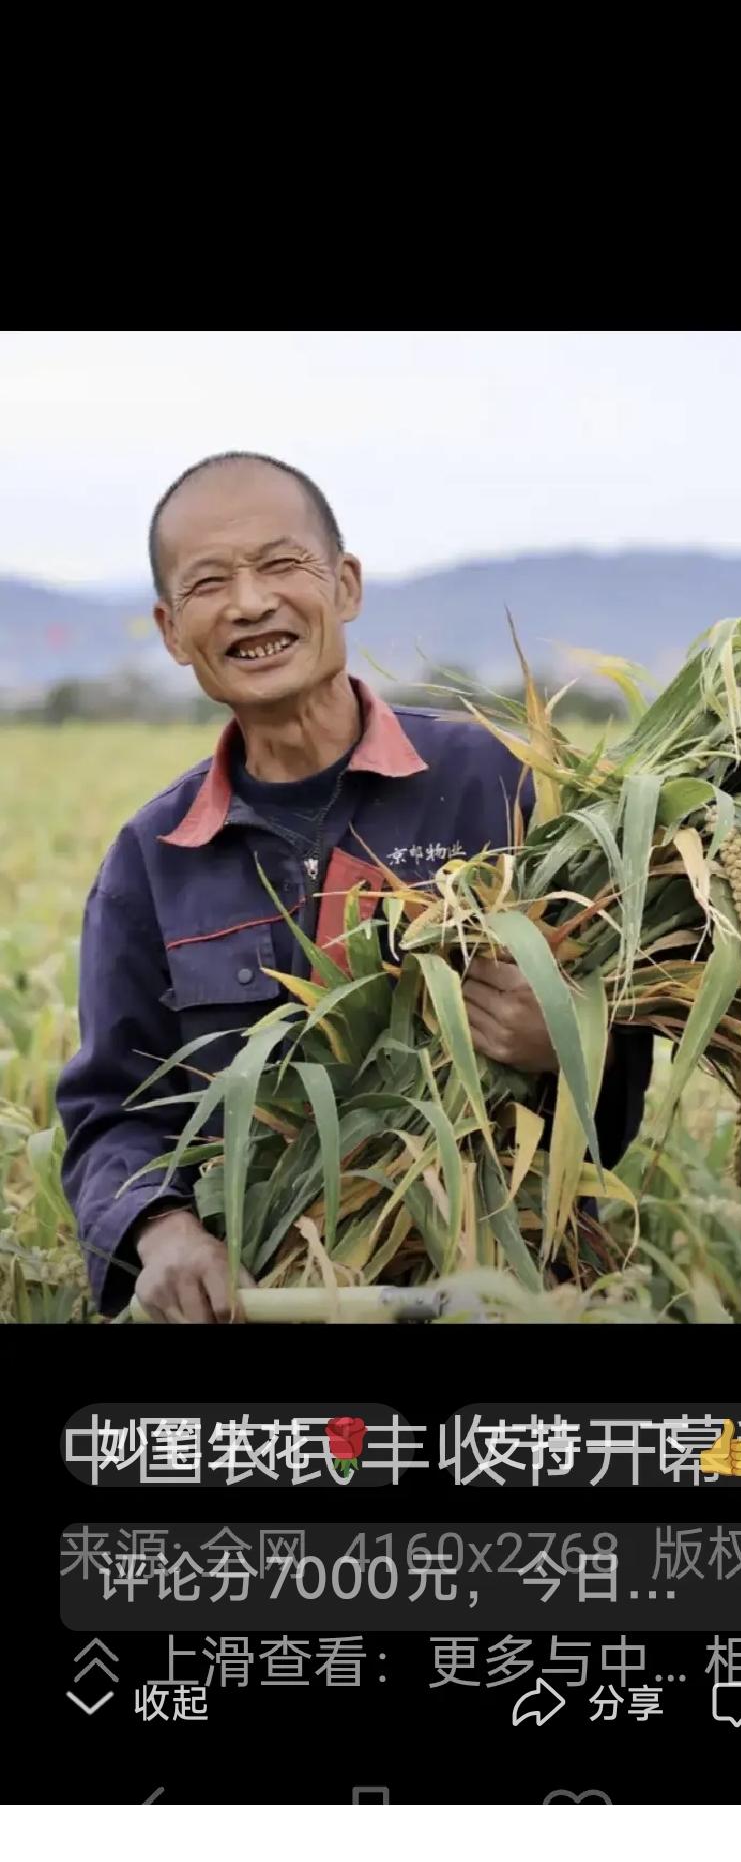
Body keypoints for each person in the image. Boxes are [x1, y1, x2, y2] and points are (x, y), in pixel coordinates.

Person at [56, 453, 652, 1322]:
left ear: (345, 584)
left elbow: (632, 1031)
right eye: (210, 582)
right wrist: (160, 1227)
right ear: (172, 630)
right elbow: (110, 1107)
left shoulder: (509, 786)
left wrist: (562, 1036)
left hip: (512, 1300)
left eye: (281, 564)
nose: (250, 602)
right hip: (266, 1311)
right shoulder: (153, 857)